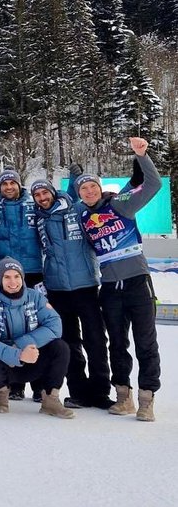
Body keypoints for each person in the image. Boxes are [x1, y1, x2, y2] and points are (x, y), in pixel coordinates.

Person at [74, 137, 161, 421]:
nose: (88, 191)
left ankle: (147, 398)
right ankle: (124, 395)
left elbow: (153, 185)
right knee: (117, 343)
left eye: (92, 186)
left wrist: (142, 155)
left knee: (145, 341)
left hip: (137, 281)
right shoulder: (83, 218)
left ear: (100, 189)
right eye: (83, 188)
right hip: (110, 287)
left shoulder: (120, 205)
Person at [31, 179, 113, 410]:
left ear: (53, 192)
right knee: (68, 343)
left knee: (96, 340)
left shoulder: (76, 208)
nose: (42, 197)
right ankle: (78, 391)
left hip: (85, 286)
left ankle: (100, 392)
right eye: (37, 195)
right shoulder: (37, 218)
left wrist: (108, 197)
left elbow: (96, 204)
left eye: (44, 192)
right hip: (57, 289)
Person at [0, 257, 73, 419]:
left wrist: (22, 345)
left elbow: (54, 325)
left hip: (34, 358)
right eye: (7, 277)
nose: (12, 281)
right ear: (0, 279)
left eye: (16, 276)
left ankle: (51, 399)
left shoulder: (35, 297)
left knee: (60, 347)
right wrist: (16, 354)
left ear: (22, 278)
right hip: (8, 363)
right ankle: (2, 394)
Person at [0, 167, 44, 401]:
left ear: (19, 185)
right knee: (10, 328)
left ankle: (40, 385)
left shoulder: (33, 206)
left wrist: (67, 191)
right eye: (4, 184)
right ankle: (16, 382)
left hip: (32, 273)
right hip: (6, 276)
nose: (9, 187)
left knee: (35, 325)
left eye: (12, 183)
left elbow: (55, 207)